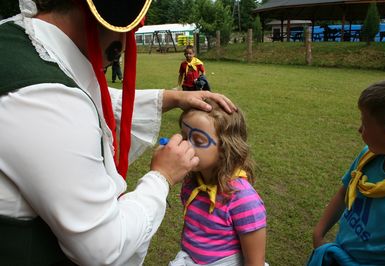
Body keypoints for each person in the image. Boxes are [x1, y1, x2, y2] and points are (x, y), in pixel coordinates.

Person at [0, 1, 237, 265]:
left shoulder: (20, 42)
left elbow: (93, 98)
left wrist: (173, 98)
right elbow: (102, 246)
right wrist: (162, 176)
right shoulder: (45, 96)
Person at [309, 79, 385, 265]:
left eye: (364, 124)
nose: (359, 129)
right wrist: (319, 233)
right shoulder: (369, 156)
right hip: (337, 255)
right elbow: (345, 191)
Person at [169, 99, 267, 266]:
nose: (185, 145)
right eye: (184, 136)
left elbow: (255, 263)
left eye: (198, 141)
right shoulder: (192, 184)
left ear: (225, 149)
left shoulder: (243, 199)